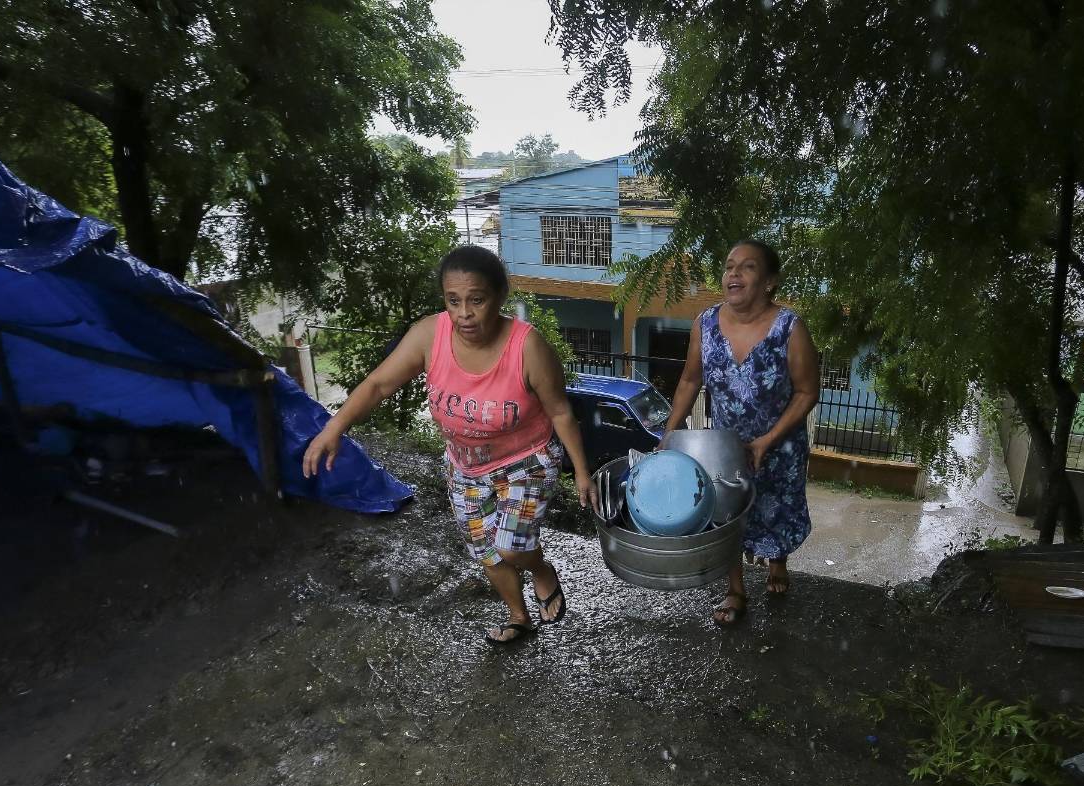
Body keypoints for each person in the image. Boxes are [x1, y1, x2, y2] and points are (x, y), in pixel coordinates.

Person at [303, 246, 597, 644]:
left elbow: (561, 412)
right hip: (464, 467)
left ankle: (541, 569)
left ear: (499, 296)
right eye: (453, 300)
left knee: (511, 547)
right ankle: (518, 617)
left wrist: (581, 472)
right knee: (486, 553)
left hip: (526, 461)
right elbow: (379, 384)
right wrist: (333, 428)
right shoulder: (429, 334)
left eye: (476, 300)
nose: (464, 314)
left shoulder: (528, 347)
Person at [661, 240, 820, 625]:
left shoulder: (790, 328)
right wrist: (670, 430)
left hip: (779, 446)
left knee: (777, 509)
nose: (733, 273)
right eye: (729, 266)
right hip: (726, 448)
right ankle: (735, 590)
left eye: (747, 267)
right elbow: (689, 378)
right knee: (727, 515)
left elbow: (807, 391)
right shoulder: (705, 323)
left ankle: (777, 561)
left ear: (768, 282)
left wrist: (769, 439)